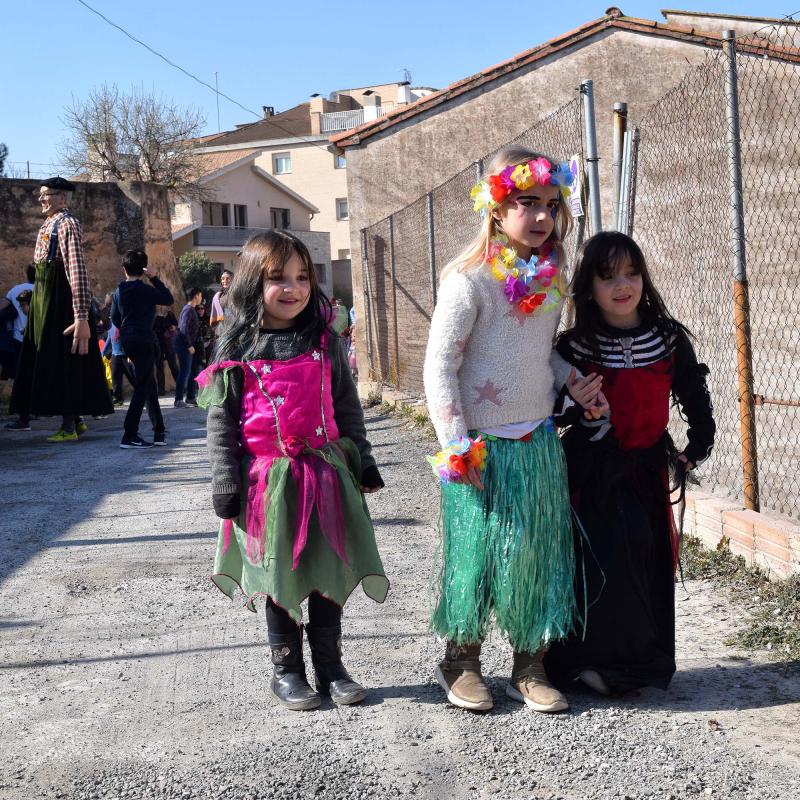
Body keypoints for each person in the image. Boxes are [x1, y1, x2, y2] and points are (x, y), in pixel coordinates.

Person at [422, 147, 606, 714]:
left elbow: (536, 355)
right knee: (475, 557)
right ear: (497, 209)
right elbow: (440, 367)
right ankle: (462, 660)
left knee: (535, 555)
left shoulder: (550, 282)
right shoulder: (468, 282)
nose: (543, 215)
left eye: (552, 204)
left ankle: (529, 665)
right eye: (528, 203)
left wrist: (570, 378)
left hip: (537, 444)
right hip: (479, 449)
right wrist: (457, 447)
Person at [198, 230, 388, 711]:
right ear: (249, 284)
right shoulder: (235, 350)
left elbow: (347, 408)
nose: (293, 288)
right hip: (268, 486)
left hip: (326, 477)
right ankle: (286, 671)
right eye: (277, 278)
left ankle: (331, 667)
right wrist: (225, 480)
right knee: (279, 576)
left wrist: (362, 459)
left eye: (302, 277)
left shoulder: (323, 343)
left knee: (328, 567)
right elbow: (220, 423)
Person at [543, 232, 715, 696]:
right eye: (607, 277)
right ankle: (587, 661)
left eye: (631, 273)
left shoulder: (668, 337)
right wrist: (578, 409)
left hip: (645, 470)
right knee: (603, 558)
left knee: (645, 557)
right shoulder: (574, 348)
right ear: (587, 288)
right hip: (592, 472)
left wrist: (698, 442)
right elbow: (550, 410)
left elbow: (692, 390)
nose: (623, 285)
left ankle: (635, 664)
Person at [10, 177, 113, 440]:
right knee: (53, 358)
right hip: (45, 300)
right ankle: (75, 421)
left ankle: (68, 427)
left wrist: (80, 316)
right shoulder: (49, 223)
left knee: (64, 360)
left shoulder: (67, 223)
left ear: (62, 197)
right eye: (41, 194)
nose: (41, 198)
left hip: (60, 302)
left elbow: (76, 271)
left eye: (47, 194)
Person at [110, 249, 174, 448]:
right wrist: (154, 277)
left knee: (148, 384)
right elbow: (167, 298)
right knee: (143, 387)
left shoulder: (118, 291)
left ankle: (159, 431)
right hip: (145, 339)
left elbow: (114, 318)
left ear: (124, 269)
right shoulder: (146, 290)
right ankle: (129, 434)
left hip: (128, 341)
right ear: (143, 268)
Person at [173, 287, 202, 408]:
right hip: (184, 345)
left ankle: (190, 397)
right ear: (196, 296)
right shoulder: (188, 310)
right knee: (184, 372)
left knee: (192, 371)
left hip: (189, 346)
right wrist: (189, 345)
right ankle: (178, 400)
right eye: (200, 296)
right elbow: (183, 328)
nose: (201, 298)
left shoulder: (191, 310)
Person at [102, 321, 134, 406]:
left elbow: (129, 340)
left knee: (132, 376)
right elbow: (108, 340)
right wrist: (102, 353)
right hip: (115, 355)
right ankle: (118, 398)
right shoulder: (111, 327)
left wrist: (130, 355)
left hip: (125, 355)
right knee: (115, 377)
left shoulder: (124, 325)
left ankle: (142, 396)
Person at [153, 305, 179, 395]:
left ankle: (180, 387)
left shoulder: (169, 314)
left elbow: (176, 324)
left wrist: (173, 327)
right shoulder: (153, 315)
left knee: (173, 365)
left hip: (169, 343)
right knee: (159, 366)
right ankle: (161, 390)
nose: (159, 306)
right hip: (158, 344)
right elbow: (151, 328)